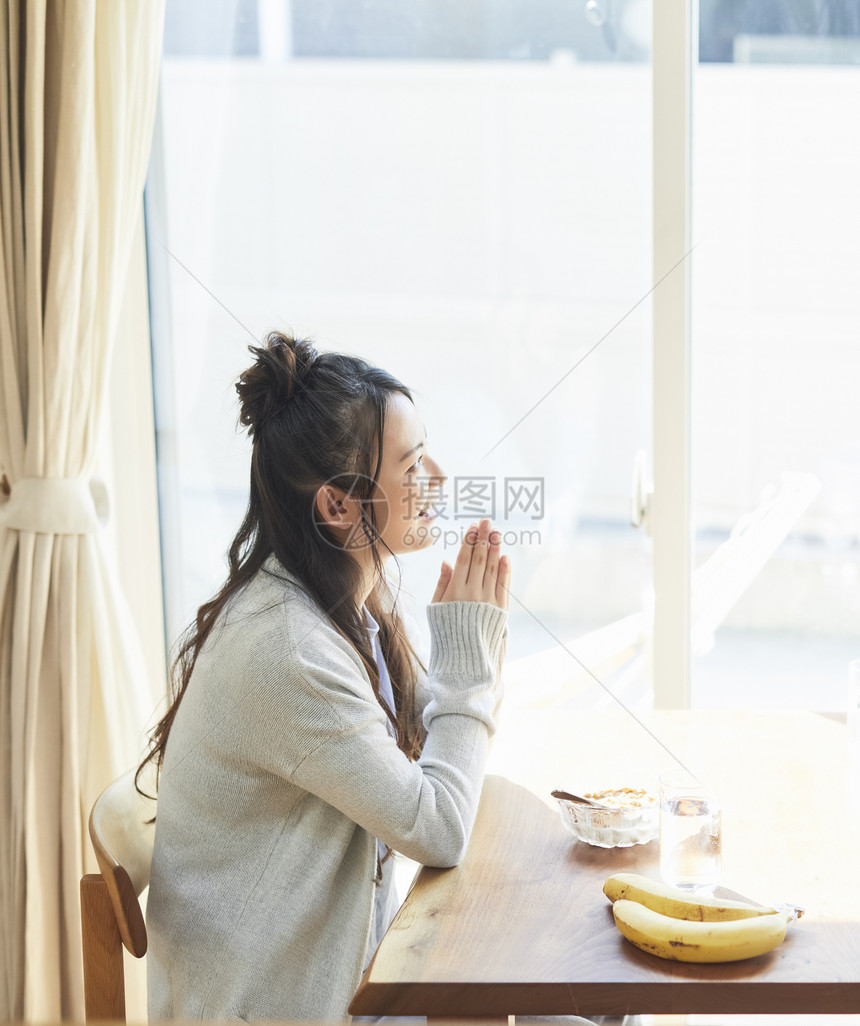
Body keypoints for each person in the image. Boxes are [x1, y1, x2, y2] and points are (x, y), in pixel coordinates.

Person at [140, 331, 511, 1022]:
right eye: (412, 465)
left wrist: (470, 659)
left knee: (567, 991)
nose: (438, 477)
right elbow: (438, 825)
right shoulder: (291, 650)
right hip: (279, 1006)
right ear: (339, 506)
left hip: (339, 977)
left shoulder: (340, 598)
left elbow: (436, 737)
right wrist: (469, 664)